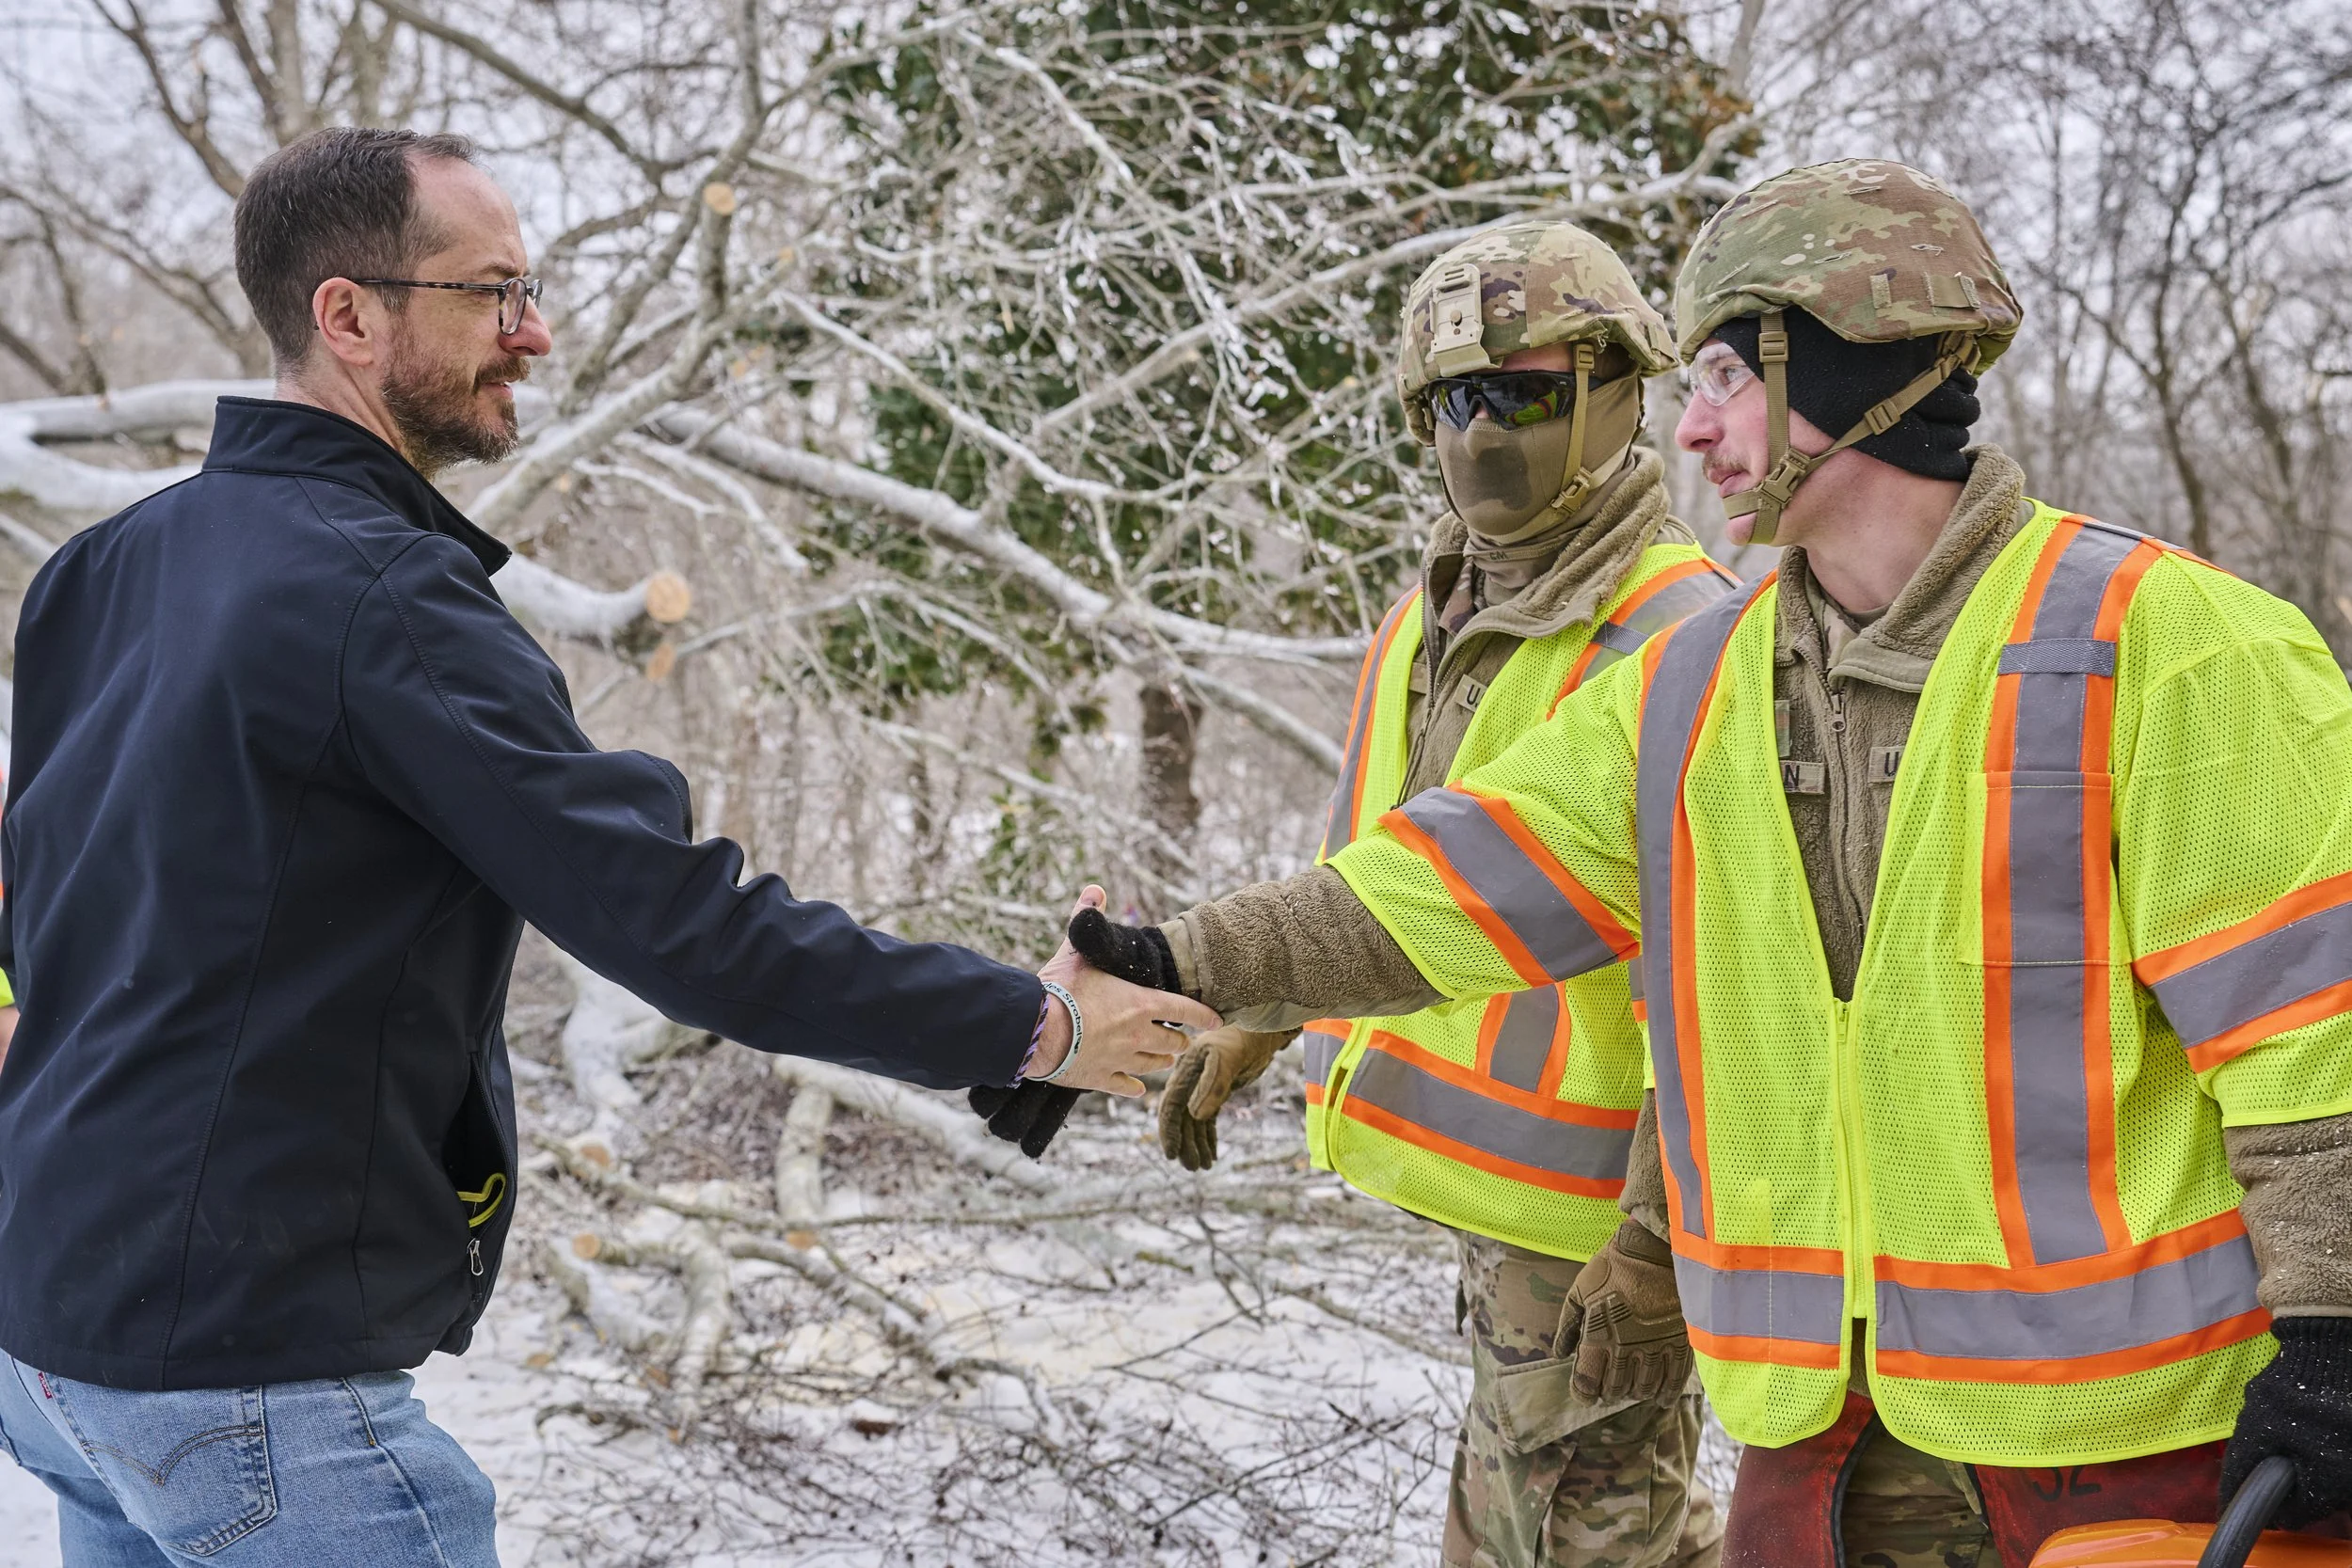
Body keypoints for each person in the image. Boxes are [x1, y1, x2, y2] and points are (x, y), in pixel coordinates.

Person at [1052, 160, 2352, 1563]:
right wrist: (1190, 958)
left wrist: (2335, 1335)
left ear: (1854, 373)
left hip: (2124, 1447)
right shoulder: (1695, 686)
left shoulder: (2177, 645)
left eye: (1729, 373)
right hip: (1817, 1435)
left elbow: (2311, 1044)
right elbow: (1453, 877)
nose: (1693, 425)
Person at [0, 125, 1209, 1568]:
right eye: (493, 293)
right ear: (349, 316)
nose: (537, 331)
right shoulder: (383, 599)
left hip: (57, 1346)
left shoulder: (102, 567)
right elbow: (679, 924)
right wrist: (1036, 1023)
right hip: (245, 1384)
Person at [1140, 221, 1731, 1568]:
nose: (1485, 433)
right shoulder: (1444, 605)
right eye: (1455, 399)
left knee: (1603, 1541)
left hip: (1594, 1221)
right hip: (1500, 1203)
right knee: (1515, 1523)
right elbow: (1402, 863)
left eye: (1525, 392)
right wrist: (1269, 1014)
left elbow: (1724, 986)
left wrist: (1654, 1238)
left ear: (1622, 389)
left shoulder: (1679, 634)